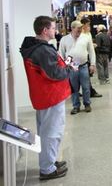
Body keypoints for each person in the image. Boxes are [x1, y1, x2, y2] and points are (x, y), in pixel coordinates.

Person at [20, 16, 73, 180]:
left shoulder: (35, 48)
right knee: (52, 133)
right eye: (52, 28)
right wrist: (69, 68)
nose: (55, 30)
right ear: (45, 30)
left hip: (44, 97)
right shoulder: (42, 50)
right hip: (51, 97)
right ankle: (47, 169)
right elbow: (55, 73)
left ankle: (48, 162)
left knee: (46, 132)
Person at [59, 20, 96, 114]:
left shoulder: (86, 37)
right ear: (72, 28)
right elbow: (61, 55)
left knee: (86, 87)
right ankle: (76, 106)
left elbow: (91, 52)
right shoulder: (64, 39)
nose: (80, 31)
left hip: (84, 65)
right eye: (78, 29)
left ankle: (87, 104)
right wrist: (68, 65)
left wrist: (92, 64)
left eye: (81, 29)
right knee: (74, 88)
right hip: (71, 67)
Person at [79, 18, 102, 98]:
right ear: (83, 25)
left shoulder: (88, 34)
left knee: (86, 76)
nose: (89, 27)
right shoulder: (79, 34)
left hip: (87, 57)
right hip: (79, 58)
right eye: (88, 25)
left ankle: (90, 92)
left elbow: (89, 46)